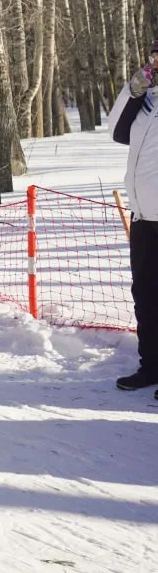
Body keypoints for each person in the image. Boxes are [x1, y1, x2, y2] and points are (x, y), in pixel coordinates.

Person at [109, 37, 158, 396]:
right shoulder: (147, 100)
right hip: (143, 216)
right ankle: (151, 366)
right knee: (146, 295)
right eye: (155, 55)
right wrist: (135, 88)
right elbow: (117, 132)